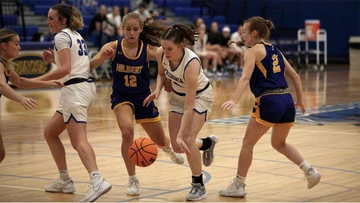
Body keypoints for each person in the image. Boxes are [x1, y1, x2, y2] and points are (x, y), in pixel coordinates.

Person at [218, 16, 321, 198]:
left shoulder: (252, 50)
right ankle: (310, 171)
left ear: (254, 33)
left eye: (244, 32)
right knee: (279, 143)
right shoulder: (276, 51)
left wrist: (234, 100)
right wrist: (300, 101)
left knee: (247, 143)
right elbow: (295, 76)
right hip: (287, 101)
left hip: (269, 101)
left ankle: (238, 185)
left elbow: (245, 78)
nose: (242, 36)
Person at [89, 12, 187, 196]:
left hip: (143, 97)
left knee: (160, 140)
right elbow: (90, 66)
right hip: (121, 97)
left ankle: (168, 149)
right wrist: (102, 57)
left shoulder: (149, 50)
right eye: (128, 29)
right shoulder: (113, 47)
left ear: (141, 29)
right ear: (122, 29)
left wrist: (165, 80)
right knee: (127, 132)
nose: (132, 33)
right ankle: (133, 179)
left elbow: (165, 65)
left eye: (135, 29)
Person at [37, 4, 112, 202]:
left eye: (51, 18)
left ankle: (97, 179)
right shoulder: (75, 35)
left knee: (78, 140)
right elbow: (76, 66)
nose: (48, 21)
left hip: (75, 91)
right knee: (50, 133)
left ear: (62, 20)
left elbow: (66, 69)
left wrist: (37, 81)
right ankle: (64, 180)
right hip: (81, 87)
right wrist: (55, 59)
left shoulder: (61, 36)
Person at [143, 24, 217, 201]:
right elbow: (161, 74)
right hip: (177, 97)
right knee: (177, 147)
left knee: (187, 140)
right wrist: (158, 89)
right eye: (164, 48)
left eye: (170, 49)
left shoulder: (191, 63)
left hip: (200, 97)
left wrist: (182, 134)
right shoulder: (162, 53)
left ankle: (198, 185)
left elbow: (189, 106)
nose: (166, 52)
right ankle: (207, 143)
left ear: (180, 46)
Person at [0, 28, 62, 164]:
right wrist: (21, 99)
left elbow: (21, 82)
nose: (19, 47)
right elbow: (1, 85)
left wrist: (46, 83)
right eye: (16, 44)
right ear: (4, 46)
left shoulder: (5, 65)